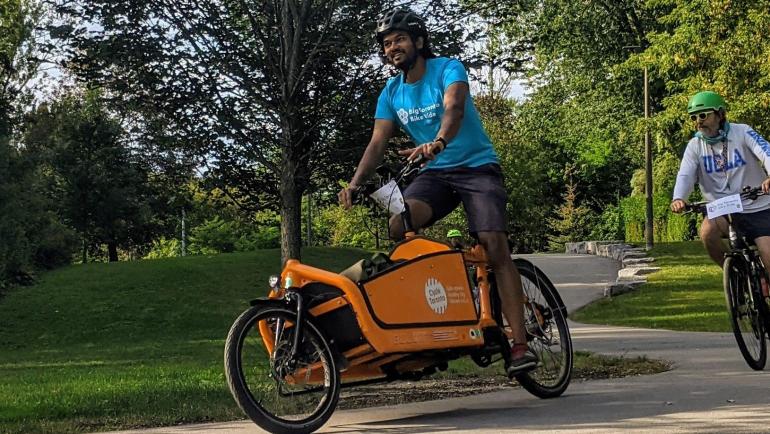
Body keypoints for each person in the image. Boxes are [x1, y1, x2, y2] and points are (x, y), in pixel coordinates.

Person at [337, 7, 537, 376]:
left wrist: (439, 141)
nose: (391, 47)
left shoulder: (447, 69)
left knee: (494, 244)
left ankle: (520, 344)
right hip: (436, 174)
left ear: (418, 41)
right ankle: (455, 286)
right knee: (401, 226)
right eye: (385, 43)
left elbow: (455, 108)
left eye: (398, 39)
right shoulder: (392, 92)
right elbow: (378, 140)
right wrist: (354, 183)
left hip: (477, 168)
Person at [671, 91, 770, 272]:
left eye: (703, 115)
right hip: (722, 209)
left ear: (720, 114)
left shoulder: (742, 131)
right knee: (707, 233)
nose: (698, 121)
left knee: (767, 252)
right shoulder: (695, 146)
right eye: (694, 117)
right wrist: (679, 197)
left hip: (758, 206)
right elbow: (685, 174)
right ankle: (735, 274)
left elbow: (765, 151)